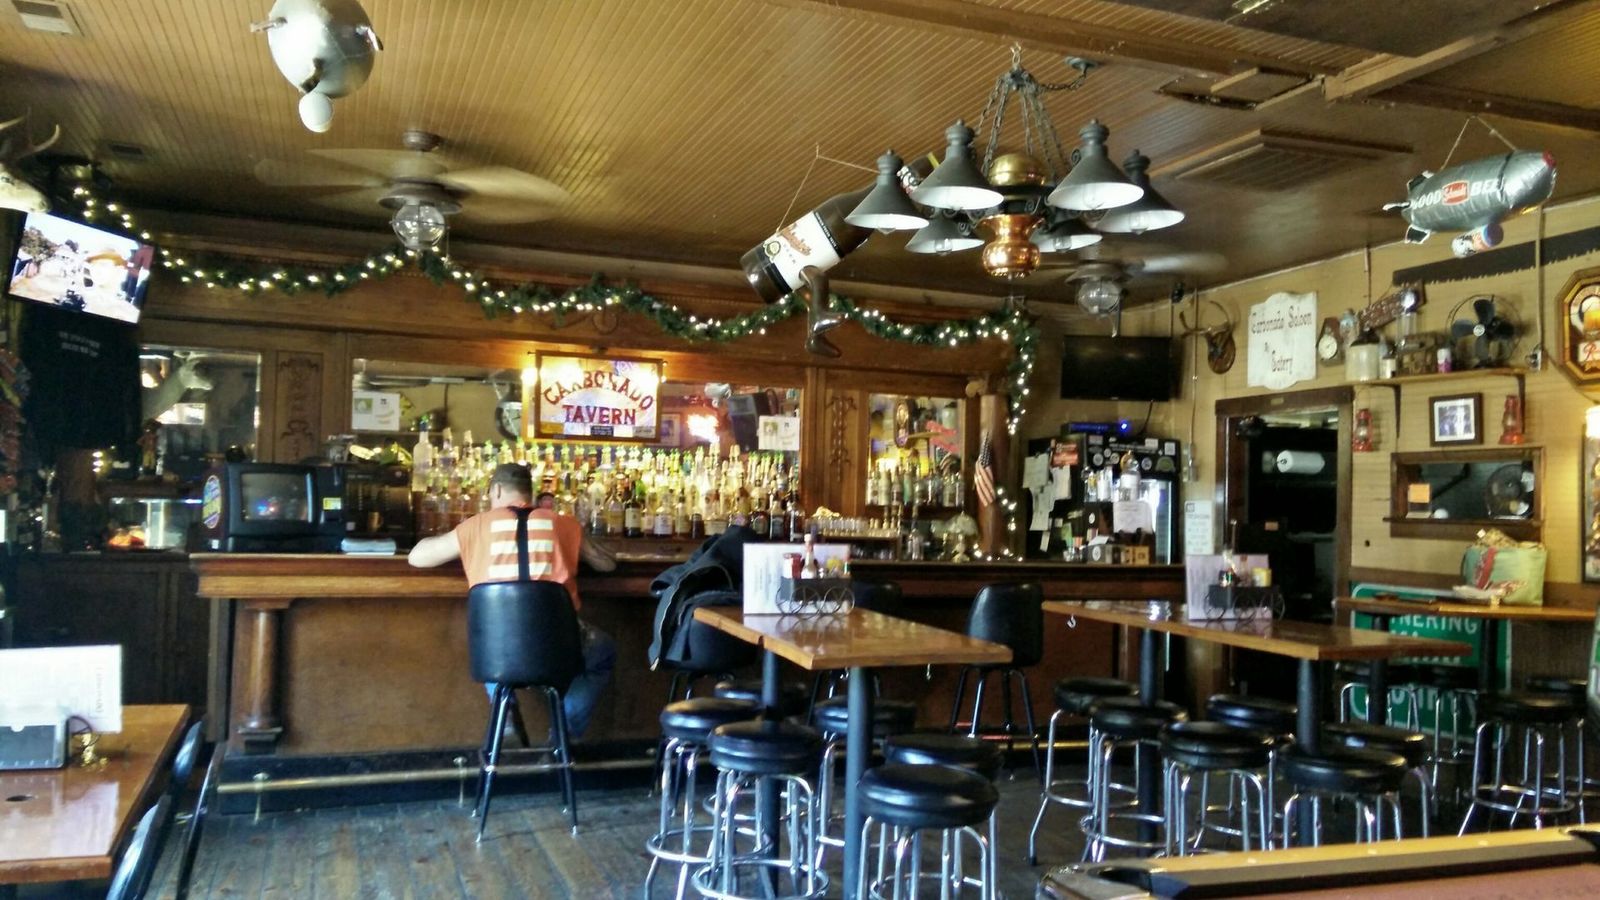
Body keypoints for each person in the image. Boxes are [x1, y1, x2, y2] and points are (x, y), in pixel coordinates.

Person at [408, 463, 617, 739]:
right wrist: (580, 539)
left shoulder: (475, 526)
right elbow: (607, 564)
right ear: (531, 493)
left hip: (496, 653)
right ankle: (563, 737)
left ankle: (504, 708)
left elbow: (416, 557)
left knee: (491, 637)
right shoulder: (563, 523)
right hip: (558, 646)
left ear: (495, 490)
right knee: (603, 651)